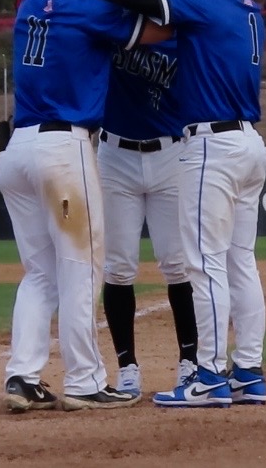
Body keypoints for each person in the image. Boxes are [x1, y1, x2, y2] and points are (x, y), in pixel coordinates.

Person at [90, 0, 266, 408]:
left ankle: (207, 374)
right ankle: (248, 370)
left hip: (212, 143)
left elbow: (142, 0)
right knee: (240, 261)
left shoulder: (205, 3)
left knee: (203, 264)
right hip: (249, 140)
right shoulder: (246, 5)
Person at [0, 0, 171, 413]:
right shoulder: (87, 8)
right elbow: (159, 30)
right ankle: (84, 380)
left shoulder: (31, 2)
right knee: (82, 267)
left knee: (39, 273)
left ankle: (22, 376)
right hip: (62, 151)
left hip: (17, 152)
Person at [98, 37, 199, 397]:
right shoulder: (116, 24)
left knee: (178, 263)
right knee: (118, 266)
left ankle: (190, 361)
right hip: (115, 154)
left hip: (170, 152)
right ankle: (127, 367)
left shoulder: (180, 33)